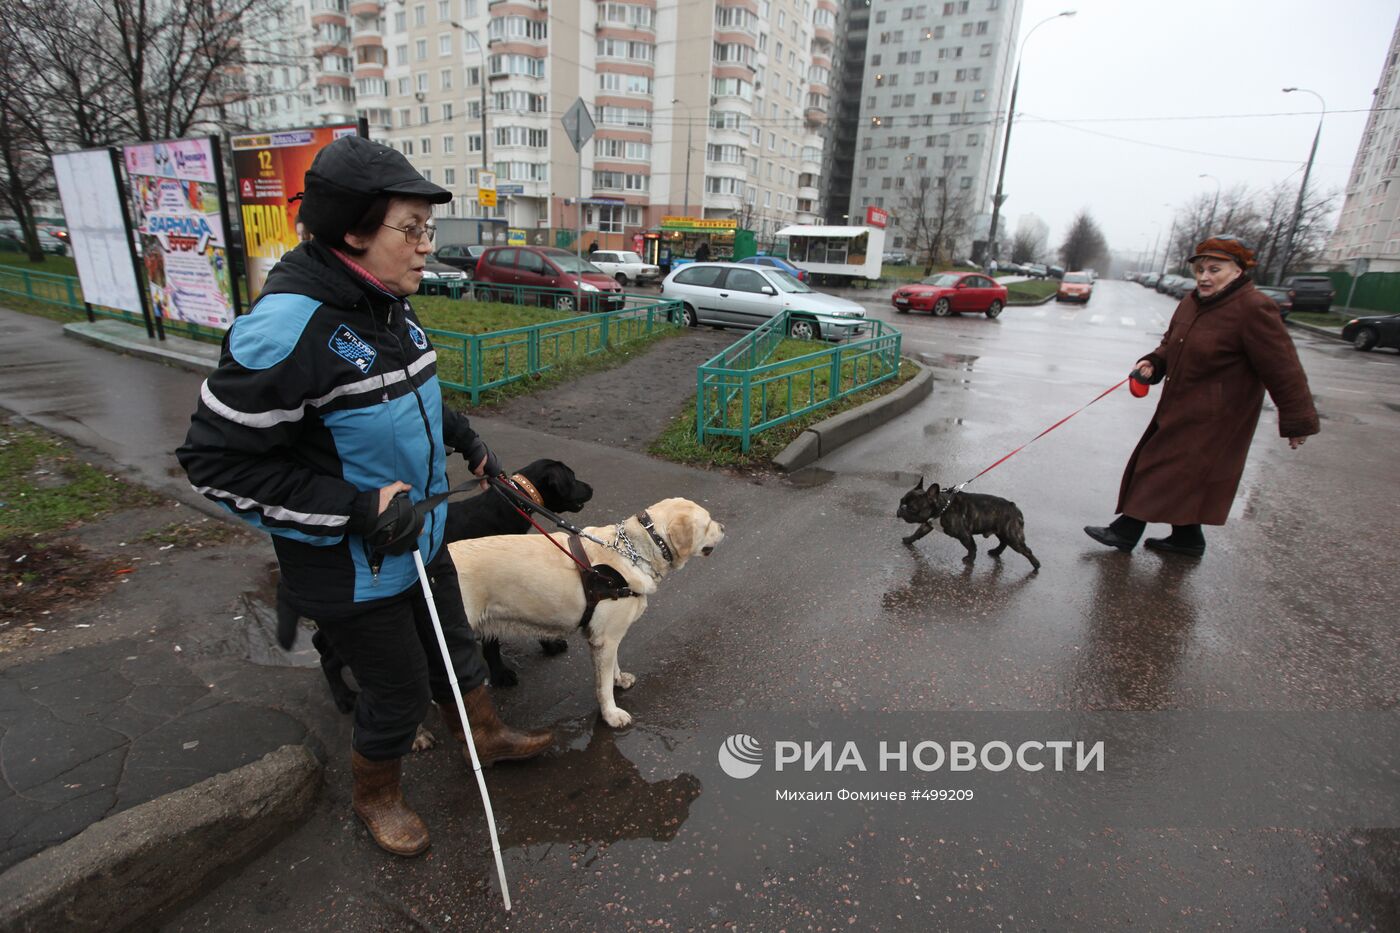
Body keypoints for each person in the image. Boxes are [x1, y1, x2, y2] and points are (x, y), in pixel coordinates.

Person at [176, 136, 551, 858]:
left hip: (423, 534)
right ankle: (377, 794)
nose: (423, 247)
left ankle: (486, 734)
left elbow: (413, 393)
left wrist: (469, 440)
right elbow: (213, 462)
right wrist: (357, 508)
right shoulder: (284, 332)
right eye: (409, 229)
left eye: (427, 230)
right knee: (397, 686)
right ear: (352, 232)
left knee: (456, 645)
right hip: (350, 564)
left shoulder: (387, 304)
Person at [1084, 236, 1319, 558]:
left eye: (1215, 269)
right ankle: (1187, 539)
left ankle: (1126, 531)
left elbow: (1283, 367)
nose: (1205, 277)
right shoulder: (1192, 302)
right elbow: (1171, 343)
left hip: (1219, 418)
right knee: (1186, 477)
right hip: (1180, 406)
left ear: (1238, 271)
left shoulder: (1253, 308)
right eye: (1201, 270)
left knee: (1160, 467)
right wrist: (1152, 362)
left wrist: (1297, 420)